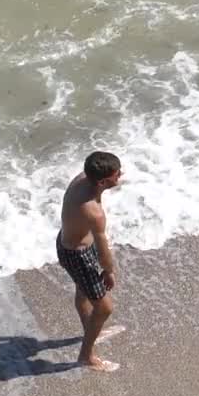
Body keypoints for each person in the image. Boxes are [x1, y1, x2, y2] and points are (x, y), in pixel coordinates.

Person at [57, 151, 124, 371]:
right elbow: (103, 246)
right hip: (77, 254)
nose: (120, 176)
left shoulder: (83, 178)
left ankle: (90, 328)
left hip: (70, 241)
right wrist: (109, 271)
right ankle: (86, 356)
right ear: (103, 181)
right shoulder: (93, 213)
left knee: (83, 291)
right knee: (104, 308)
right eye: (117, 174)